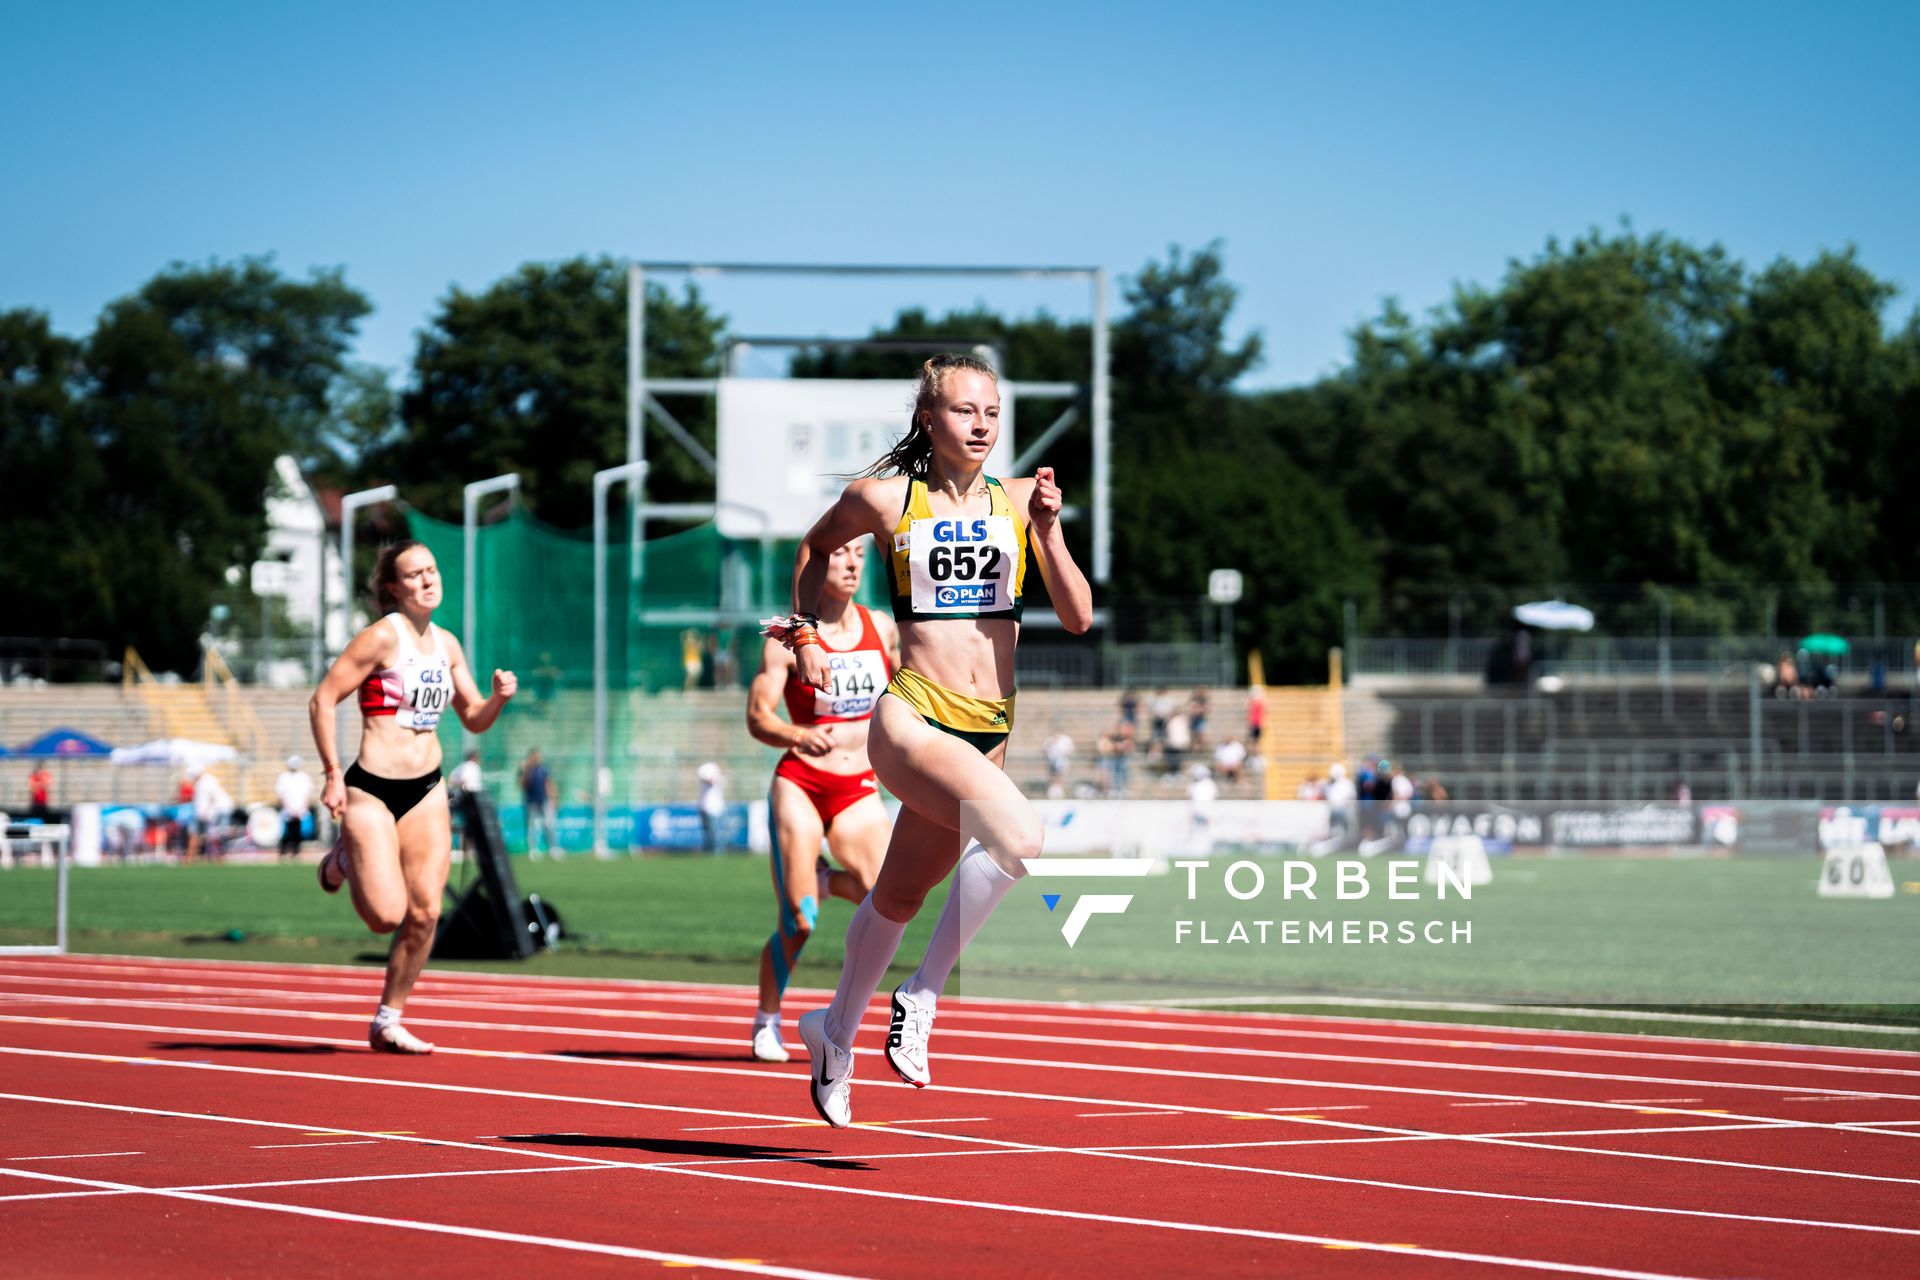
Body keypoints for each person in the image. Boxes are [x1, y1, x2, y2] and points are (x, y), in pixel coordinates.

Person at [774, 352, 1093, 1129]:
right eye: (962, 410)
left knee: (901, 895)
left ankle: (832, 1034)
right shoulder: (885, 499)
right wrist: (807, 633)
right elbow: (813, 550)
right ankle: (920, 996)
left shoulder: (1021, 500)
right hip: (911, 716)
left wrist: (1048, 535)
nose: (980, 424)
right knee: (1021, 839)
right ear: (928, 418)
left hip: (989, 732)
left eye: (990, 411)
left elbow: (1079, 616)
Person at [308, 540, 517, 1054]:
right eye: (414, 574)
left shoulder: (447, 645)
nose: (428, 579)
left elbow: (473, 719)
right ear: (392, 589)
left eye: (432, 568)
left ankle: (388, 1018)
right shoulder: (382, 638)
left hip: (426, 787)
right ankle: (342, 861)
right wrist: (333, 774)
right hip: (372, 789)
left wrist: (497, 700)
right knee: (384, 915)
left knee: (424, 914)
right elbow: (323, 700)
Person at [744, 538, 899, 1063]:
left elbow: (907, 691)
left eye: (859, 553)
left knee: (887, 896)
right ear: (815, 565)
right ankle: (767, 1018)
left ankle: (828, 881)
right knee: (799, 920)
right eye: (839, 554)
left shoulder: (881, 626)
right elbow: (758, 717)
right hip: (802, 783)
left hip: (858, 785)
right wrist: (795, 735)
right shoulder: (785, 638)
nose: (852, 563)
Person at [519, 748, 557, 859]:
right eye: (534, 756)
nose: (537, 759)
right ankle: (533, 849)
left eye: (538, 756)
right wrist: (525, 770)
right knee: (532, 827)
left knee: (549, 825)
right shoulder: (527, 769)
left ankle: (552, 848)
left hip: (544, 800)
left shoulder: (544, 769)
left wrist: (552, 798)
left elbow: (548, 783)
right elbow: (522, 785)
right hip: (531, 802)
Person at [275, 755, 314, 861]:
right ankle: (283, 851)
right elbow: (280, 795)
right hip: (287, 809)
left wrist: (303, 808)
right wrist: (286, 808)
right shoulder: (284, 777)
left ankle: (295, 851)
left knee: (297, 831)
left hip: (300, 809)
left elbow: (308, 794)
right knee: (285, 831)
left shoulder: (304, 777)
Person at [696, 762, 727, 852]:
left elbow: (714, 781)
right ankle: (709, 849)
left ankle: (717, 850)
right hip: (705, 808)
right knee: (707, 831)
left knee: (715, 831)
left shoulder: (718, 781)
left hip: (714, 810)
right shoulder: (704, 785)